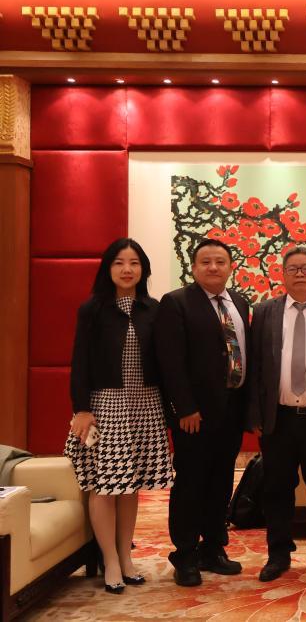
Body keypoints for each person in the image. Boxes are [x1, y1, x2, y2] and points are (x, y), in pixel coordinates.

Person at [65, 238, 173, 594]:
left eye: (134, 263)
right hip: (105, 405)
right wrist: (82, 409)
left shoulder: (153, 308)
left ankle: (126, 556)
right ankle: (109, 559)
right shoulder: (92, 309)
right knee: (106, 484)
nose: (127, 269)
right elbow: (80, 362)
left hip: (145, 404)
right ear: (107, 268)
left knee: (130, 485)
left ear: (143, 269)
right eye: (119, 262)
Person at [155, 238, 251, 587]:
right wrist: (185, 407)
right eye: (206, 262)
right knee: (191, 482)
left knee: (221, 480)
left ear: (230, 267)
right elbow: (170, 361)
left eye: (220, 261)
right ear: (194, 268)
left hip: (232, 409)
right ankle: (185, 554)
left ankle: (213, 548)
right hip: (195, 414)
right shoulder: (176, 302)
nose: (213, 267)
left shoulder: (239, 301)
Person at [248, 246, 306, 582]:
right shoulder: (264, 312)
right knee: (276, 490)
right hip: (279, 419)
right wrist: (256, 415)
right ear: (283, 275)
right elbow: (255, 366)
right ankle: (278, 554)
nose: (300, 274)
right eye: (293, 269)